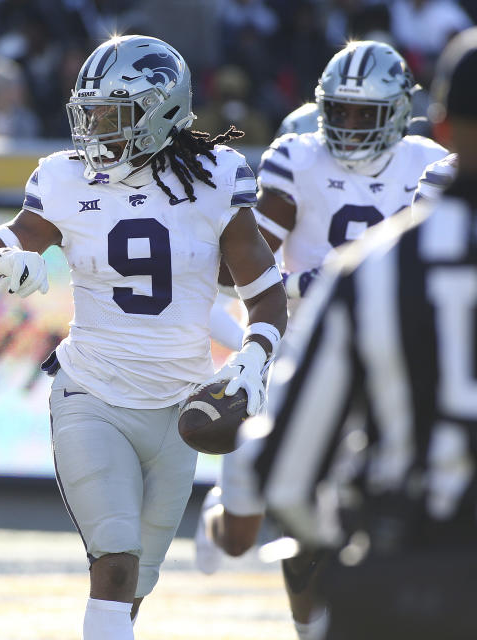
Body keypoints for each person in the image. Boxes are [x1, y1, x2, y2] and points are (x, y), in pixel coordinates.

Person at [0, 35, 287, 639]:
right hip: (93, 393)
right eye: (91, 112)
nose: (97, 129)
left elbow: (264, 290)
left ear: (159, 113)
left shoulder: (216, 176)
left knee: (136, 584)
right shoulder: (63, 178)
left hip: (181, 406)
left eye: (113, 114)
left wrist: (255, 359)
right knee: (114, 565)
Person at [225, 28, 477, 639]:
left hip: (414, 573)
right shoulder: (303, 163)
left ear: (437, 125)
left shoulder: (371, 275)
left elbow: (287, 476)